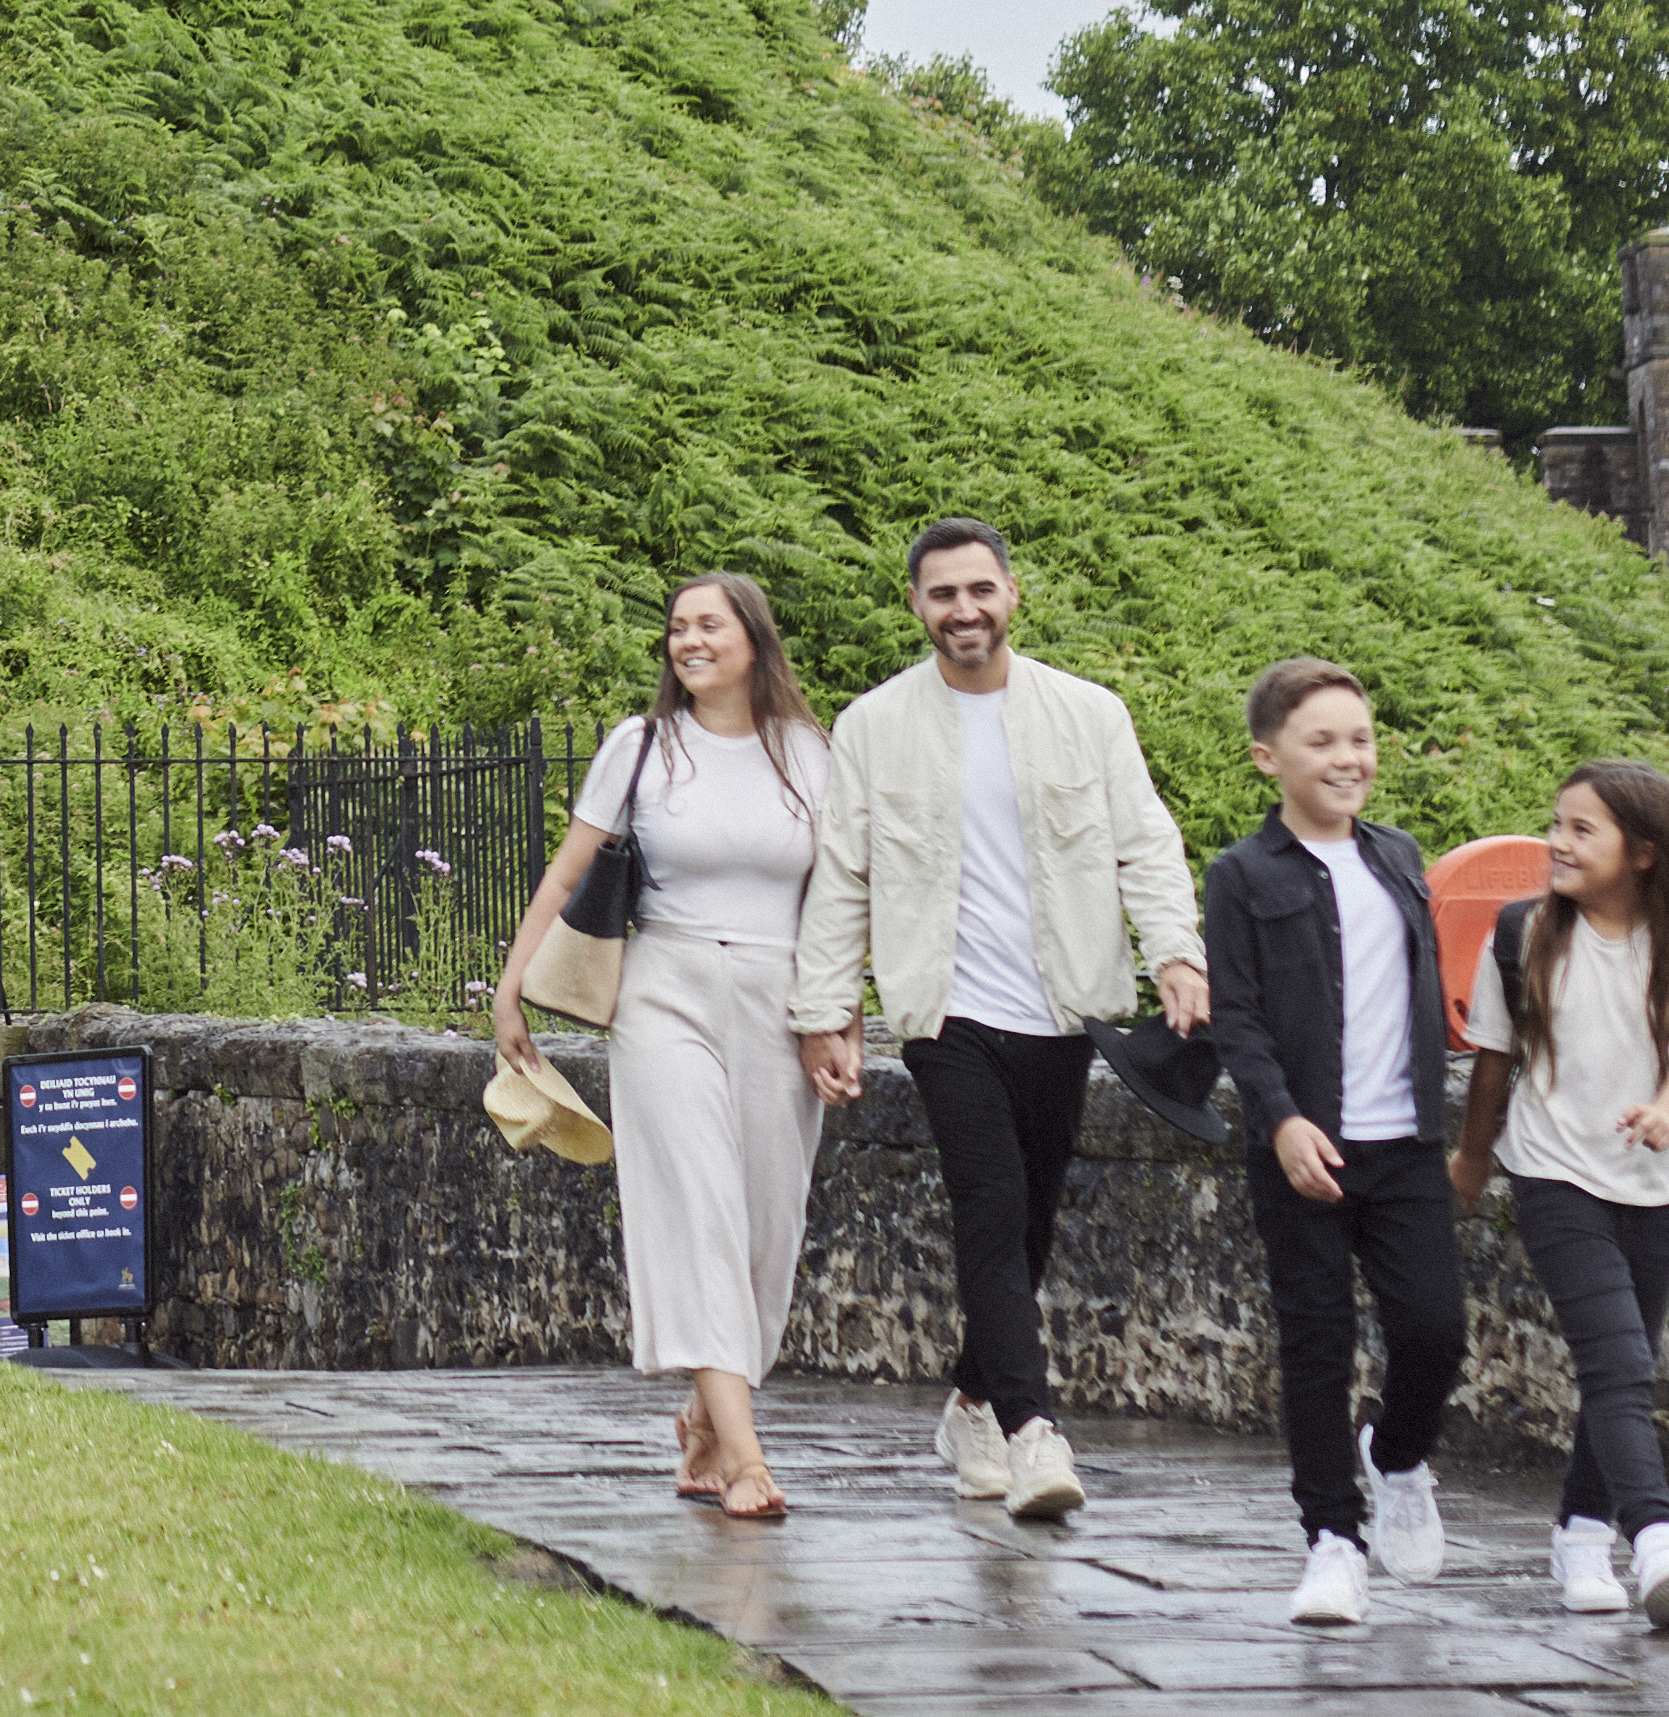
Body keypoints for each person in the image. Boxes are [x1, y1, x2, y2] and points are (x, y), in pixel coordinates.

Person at [785, 515, 1208, 1528]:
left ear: (1012, 594)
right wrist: (825, 1010)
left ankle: (971, 1400)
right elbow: (842, 872)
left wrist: (1177, 953)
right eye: (943, 593)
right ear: (917, 605)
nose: (964, 609)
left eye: (981, 589)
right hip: (946, 1010)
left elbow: (1145, 843)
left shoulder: (1087, 713)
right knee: (988, 1202)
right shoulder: (875, 723)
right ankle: (1031, 1430)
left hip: (1064, 1005)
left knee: (1030, 1222)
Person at [495, 571, 835, 1516]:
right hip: (665, 992)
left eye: (708, 625)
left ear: (753, 640)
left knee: (767, 1225)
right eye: (677, 627)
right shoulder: (641, 747)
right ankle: (748, 1456)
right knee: (696, 1211)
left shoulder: (811, 755)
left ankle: (704, 1413)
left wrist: (837, 1013)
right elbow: (571, 870)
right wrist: (512, 985)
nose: (688, 640)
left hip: (780, 996)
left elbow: (840, 899)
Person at [1199, 656, 1468, 1625]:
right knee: (1317, 1341)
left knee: (1437, 1333)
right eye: (1323, 740)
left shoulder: (1400, 855)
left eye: (1360, 737)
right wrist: (1281, 1117)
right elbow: (1237, 1015)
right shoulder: (1240, 873)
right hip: (1304, 1146)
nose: (1348, 756)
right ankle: (1332, 1541)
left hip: (1404, 1143)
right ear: (1269, 756)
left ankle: (1395, 1456)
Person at [1456, 754, 1669, 1620]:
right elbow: (1492, 1066)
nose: (1558, 842)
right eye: (1558, 823)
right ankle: (1655, 1540)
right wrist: (1472, 1157)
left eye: (1583, 829)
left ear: (1642, 852)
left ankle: (1581, 1534)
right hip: (1553, 1170)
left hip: (1661, 1180)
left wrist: (1668, 1109)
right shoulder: (1522, 934)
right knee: (1616, 1362)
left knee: (1624, 1366)